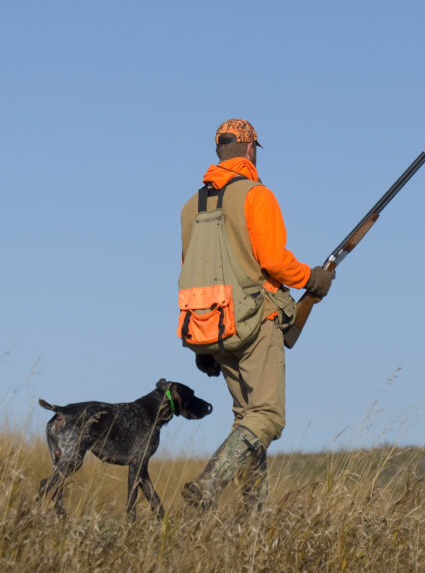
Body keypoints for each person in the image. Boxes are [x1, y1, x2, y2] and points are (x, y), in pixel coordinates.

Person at [178, 118, 334, 510]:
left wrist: (205, 346)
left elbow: (190, 270)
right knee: (267, 416)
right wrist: (312, 279)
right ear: (250, 150)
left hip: (214, 328)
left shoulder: (191, 207)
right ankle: (209, 484)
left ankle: (253, 519)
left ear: (219, 152)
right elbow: (274, 261)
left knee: (247, 418)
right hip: (256, 322)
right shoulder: (256, 195)